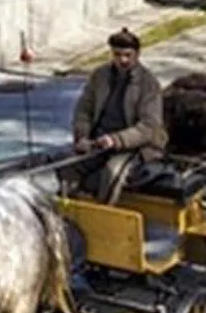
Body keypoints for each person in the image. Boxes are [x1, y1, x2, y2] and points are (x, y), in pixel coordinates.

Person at [68, 28, 166, 203]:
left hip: (136, 148)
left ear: (137, 54)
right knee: (68, 166)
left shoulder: (148, 83)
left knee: (111, 174)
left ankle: (102, 214)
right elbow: (83, 109)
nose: (122, 60)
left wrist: (116, 140)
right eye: (117, 54)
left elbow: (149, 126)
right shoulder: (99, 76)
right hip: (98, 142)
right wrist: (82, 136)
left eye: (128, 55)